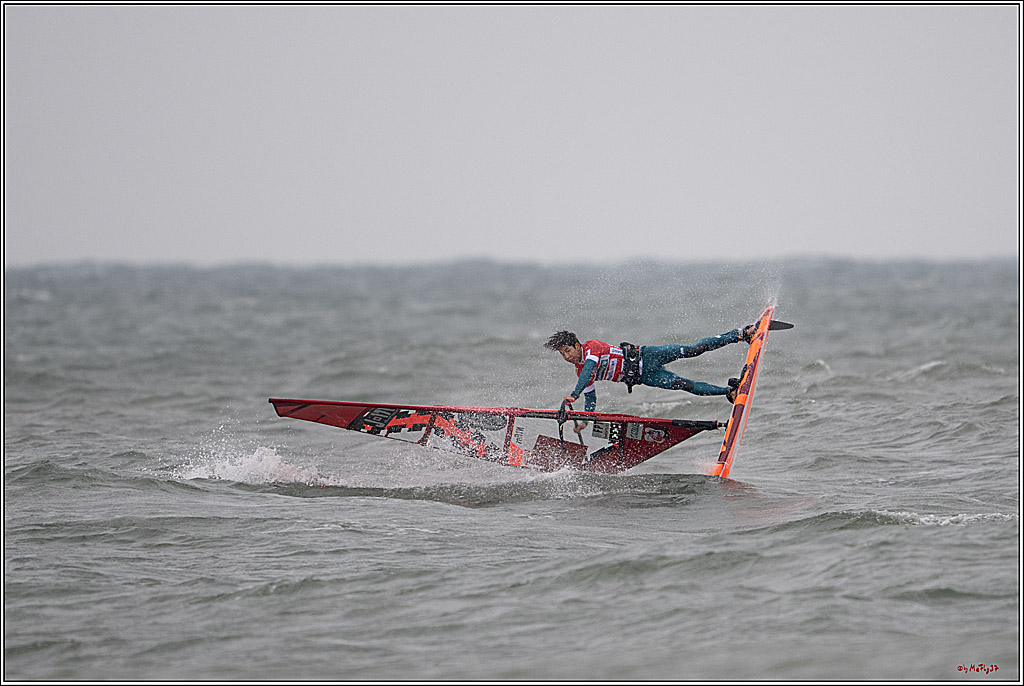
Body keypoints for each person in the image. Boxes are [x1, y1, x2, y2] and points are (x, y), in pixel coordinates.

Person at [545, 324, 756, 430]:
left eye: (567, 350)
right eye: (562, 354)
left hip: (649, 356)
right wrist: (585, 420)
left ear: (576, 345)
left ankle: (740, 334)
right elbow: (591, 399)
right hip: (645, 376)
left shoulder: (592, 348)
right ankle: (730, 392)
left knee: (694, 349)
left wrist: (574, 394)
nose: (566, 356)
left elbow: (590, 368)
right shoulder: (580, 371)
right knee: (684, 385)